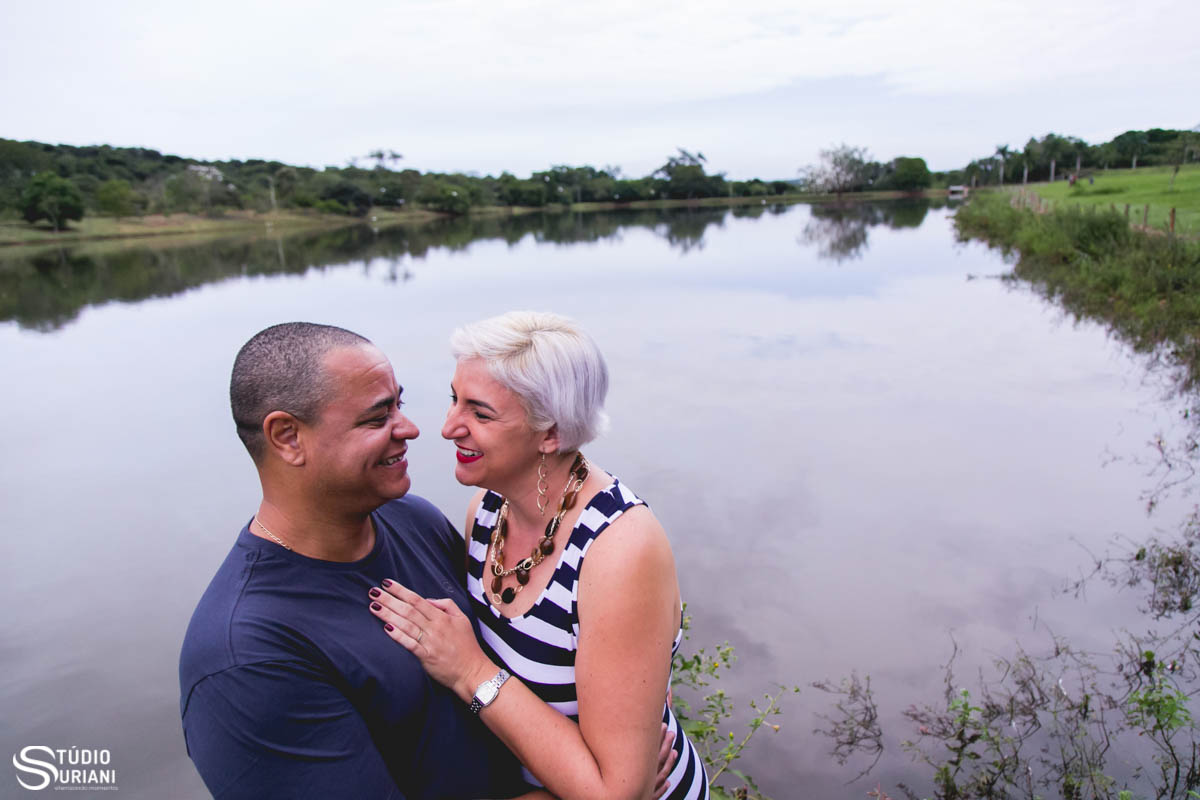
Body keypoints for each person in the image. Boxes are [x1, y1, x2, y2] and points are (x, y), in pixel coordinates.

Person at [178, 323, 533, 799]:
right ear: (287, 437)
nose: (409, 429)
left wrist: (597, 753)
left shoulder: (413, 521)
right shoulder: (244, 656)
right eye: (376, 418)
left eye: (399, 405)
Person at [368, 312, 710, 800]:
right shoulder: (486, 512)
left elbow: (614, 794)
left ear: (550, 433)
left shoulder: (618, 550)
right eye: (454, 399)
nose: (447, 428)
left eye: (480, 414)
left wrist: (469, 670)